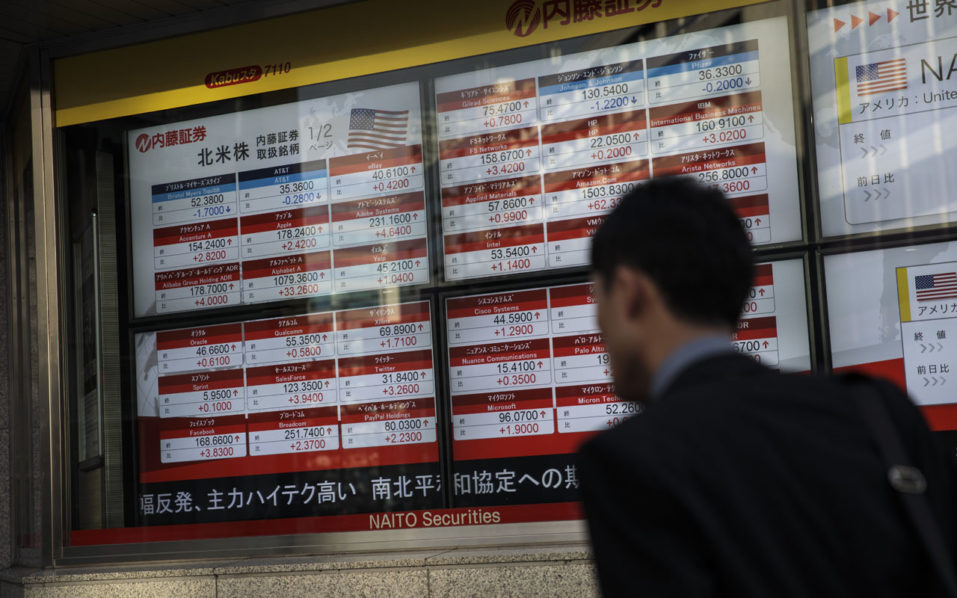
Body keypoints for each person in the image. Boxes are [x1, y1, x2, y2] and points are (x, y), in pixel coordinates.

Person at [578, 176, 957, 597]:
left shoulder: (630, 461)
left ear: (630, 292)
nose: (598, 324)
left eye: (598, 296)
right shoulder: (879, 412)